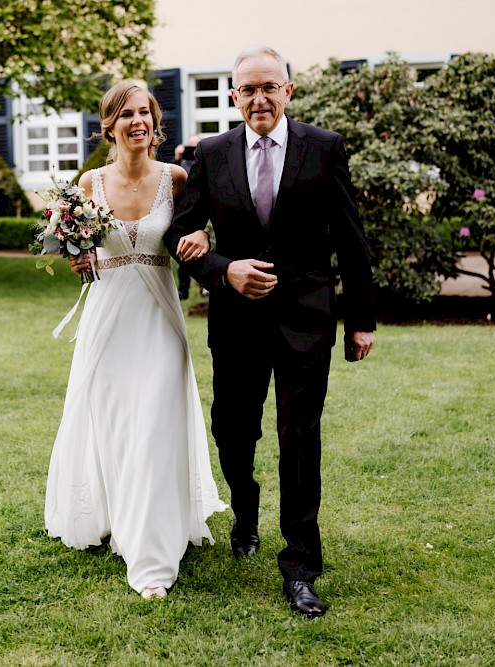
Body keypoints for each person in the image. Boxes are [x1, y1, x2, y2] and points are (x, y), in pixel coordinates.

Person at [165, 45, 376, 619]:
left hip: (306, 316)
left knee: (300, 438)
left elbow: (351, 238)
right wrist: (221, 270)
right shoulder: (211, 153)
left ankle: (302, 565)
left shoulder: (324, 148)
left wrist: (360, 319)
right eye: (247, 89)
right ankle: (245, 508)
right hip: (236, 321)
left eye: (269, 87)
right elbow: (179, 235)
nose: (259, 98)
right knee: (233, 432)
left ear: (288, 90)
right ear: (234, 97)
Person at [44, 81, 226, 600]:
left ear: (155, 121)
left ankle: (150, 559)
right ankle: (116, 514)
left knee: (154, 425)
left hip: (159, 316)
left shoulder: (177, 177)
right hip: (109, 317)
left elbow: (198, 229)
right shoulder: (88, 184)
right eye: (127, 114)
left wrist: (203, 238)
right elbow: (75, 248)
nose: (137, 121)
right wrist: (77, 254)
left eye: (145, 112)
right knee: (116, 425)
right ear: (110, 125)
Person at [174, 135, 202, 300]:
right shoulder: (181, 165)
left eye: (197, 145)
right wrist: (177, 157)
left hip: (201, 217)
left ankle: (204, 289)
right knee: (183, 256)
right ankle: (183, 290)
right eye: (191, 145)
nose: (193, 149)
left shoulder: (205, 161)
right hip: (183, 214)